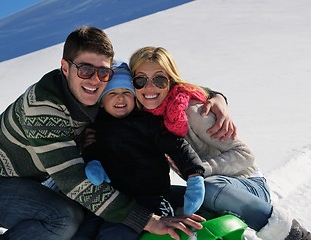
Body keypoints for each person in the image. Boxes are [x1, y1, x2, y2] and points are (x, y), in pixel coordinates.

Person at [0, 27, 211, 240]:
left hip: (39, 179)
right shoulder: (43, 108)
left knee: (90, 210)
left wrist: (213, 97)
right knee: (64, 219)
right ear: (65, 67)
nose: (95, 79)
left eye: (103, 72)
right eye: (85, 70)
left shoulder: (98, 94)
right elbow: (74, 182)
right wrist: (147, 220)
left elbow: (155, 89)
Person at [128, 46, 311, 240]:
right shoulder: (149, 121)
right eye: (141, 80)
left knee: (208, 187)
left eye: (159, 79)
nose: (149, 87)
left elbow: (244, 154)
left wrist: (197, 172)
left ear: (170, 81)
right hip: (205, 190)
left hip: (245, 186)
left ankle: (295, 236)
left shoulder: (194, 112)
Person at [80, 61, 206, 239]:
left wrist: (194, 173)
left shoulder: (147, 122)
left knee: (116, 234)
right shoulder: (96, 127)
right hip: (113, 199)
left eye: (126, 93)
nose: (120, 98)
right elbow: (91, 149)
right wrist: (93, 163)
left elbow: (177, 145)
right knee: (84, 232)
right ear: (101, 102)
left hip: (151, 197)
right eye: (113, 93)